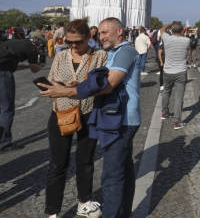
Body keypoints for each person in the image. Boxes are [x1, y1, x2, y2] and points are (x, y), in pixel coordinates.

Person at [40, 17, 142, 218]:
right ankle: (53, 211)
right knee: (119, 172)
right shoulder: (112, 53)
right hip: (73, 113)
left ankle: (92, 205)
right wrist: (66, 88)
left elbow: (107, 84)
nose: (101, 36)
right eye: (69, 42)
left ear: (119, 31)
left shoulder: (115, 53)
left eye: (105, 32)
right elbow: (96, 82)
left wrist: (68, 91)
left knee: (110, 175)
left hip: (107, 116)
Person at [44, 19, 107, 218]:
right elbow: (52, 81)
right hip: (61, 113)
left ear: (89, 37)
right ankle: (52, 212)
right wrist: (60, 86)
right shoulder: (61, 57)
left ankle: (84, 202)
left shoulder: (100, 56)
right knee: (57, 164)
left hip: (88, 113)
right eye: (68, 41)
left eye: (77, 42)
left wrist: (77, 86)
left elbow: (103, 86)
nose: (72, 46)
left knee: (85, 161)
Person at [0, 38, 43, 152]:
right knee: (6, 109)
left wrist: (27, 66)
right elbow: (35, 70)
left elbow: (12, 66)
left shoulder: (13, 43)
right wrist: (40, 66)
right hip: (2, 75)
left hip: (3, 69)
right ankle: (4, 144)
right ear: (38, 46)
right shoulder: (32, 49)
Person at [160, 21, 190, 129]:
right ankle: (176, 121)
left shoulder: (167, 39)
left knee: (166, 92)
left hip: (168, 70)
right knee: (179, 96)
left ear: (171, 30)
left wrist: (170, 23)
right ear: (182, 30)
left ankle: (164, 113)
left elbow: (162, 30)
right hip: (181, 70)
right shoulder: (187, 40)